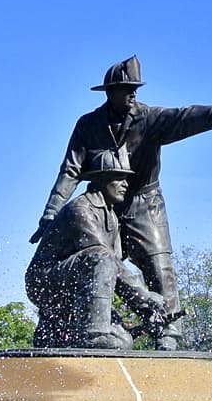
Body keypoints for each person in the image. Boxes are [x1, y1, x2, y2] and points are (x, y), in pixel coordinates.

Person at [29, 56, 212, 350]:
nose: (133, 94)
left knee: (157, 264)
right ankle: (61, 323)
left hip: (143, 201)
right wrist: (52, 213)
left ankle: (169, 330)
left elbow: (190, 117)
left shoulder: (150, 118)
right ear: (110, 92)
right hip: (105, 201)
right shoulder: (88, 125)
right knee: (94, 261)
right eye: (127, 89)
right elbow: (71, 170)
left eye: (135, 88)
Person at [25, 149, 166, 350]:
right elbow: (105, 258)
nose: (126, 184)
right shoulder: (80, 209)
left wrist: (146, 311)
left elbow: (115, 274)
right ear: (101, 179)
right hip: (43, 281)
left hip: (74, 283)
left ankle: (53, 332)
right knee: (101, 256)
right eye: (119, 178)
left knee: (123, 342)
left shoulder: (112, 217)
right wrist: (145, 296)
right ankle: (93, 334)